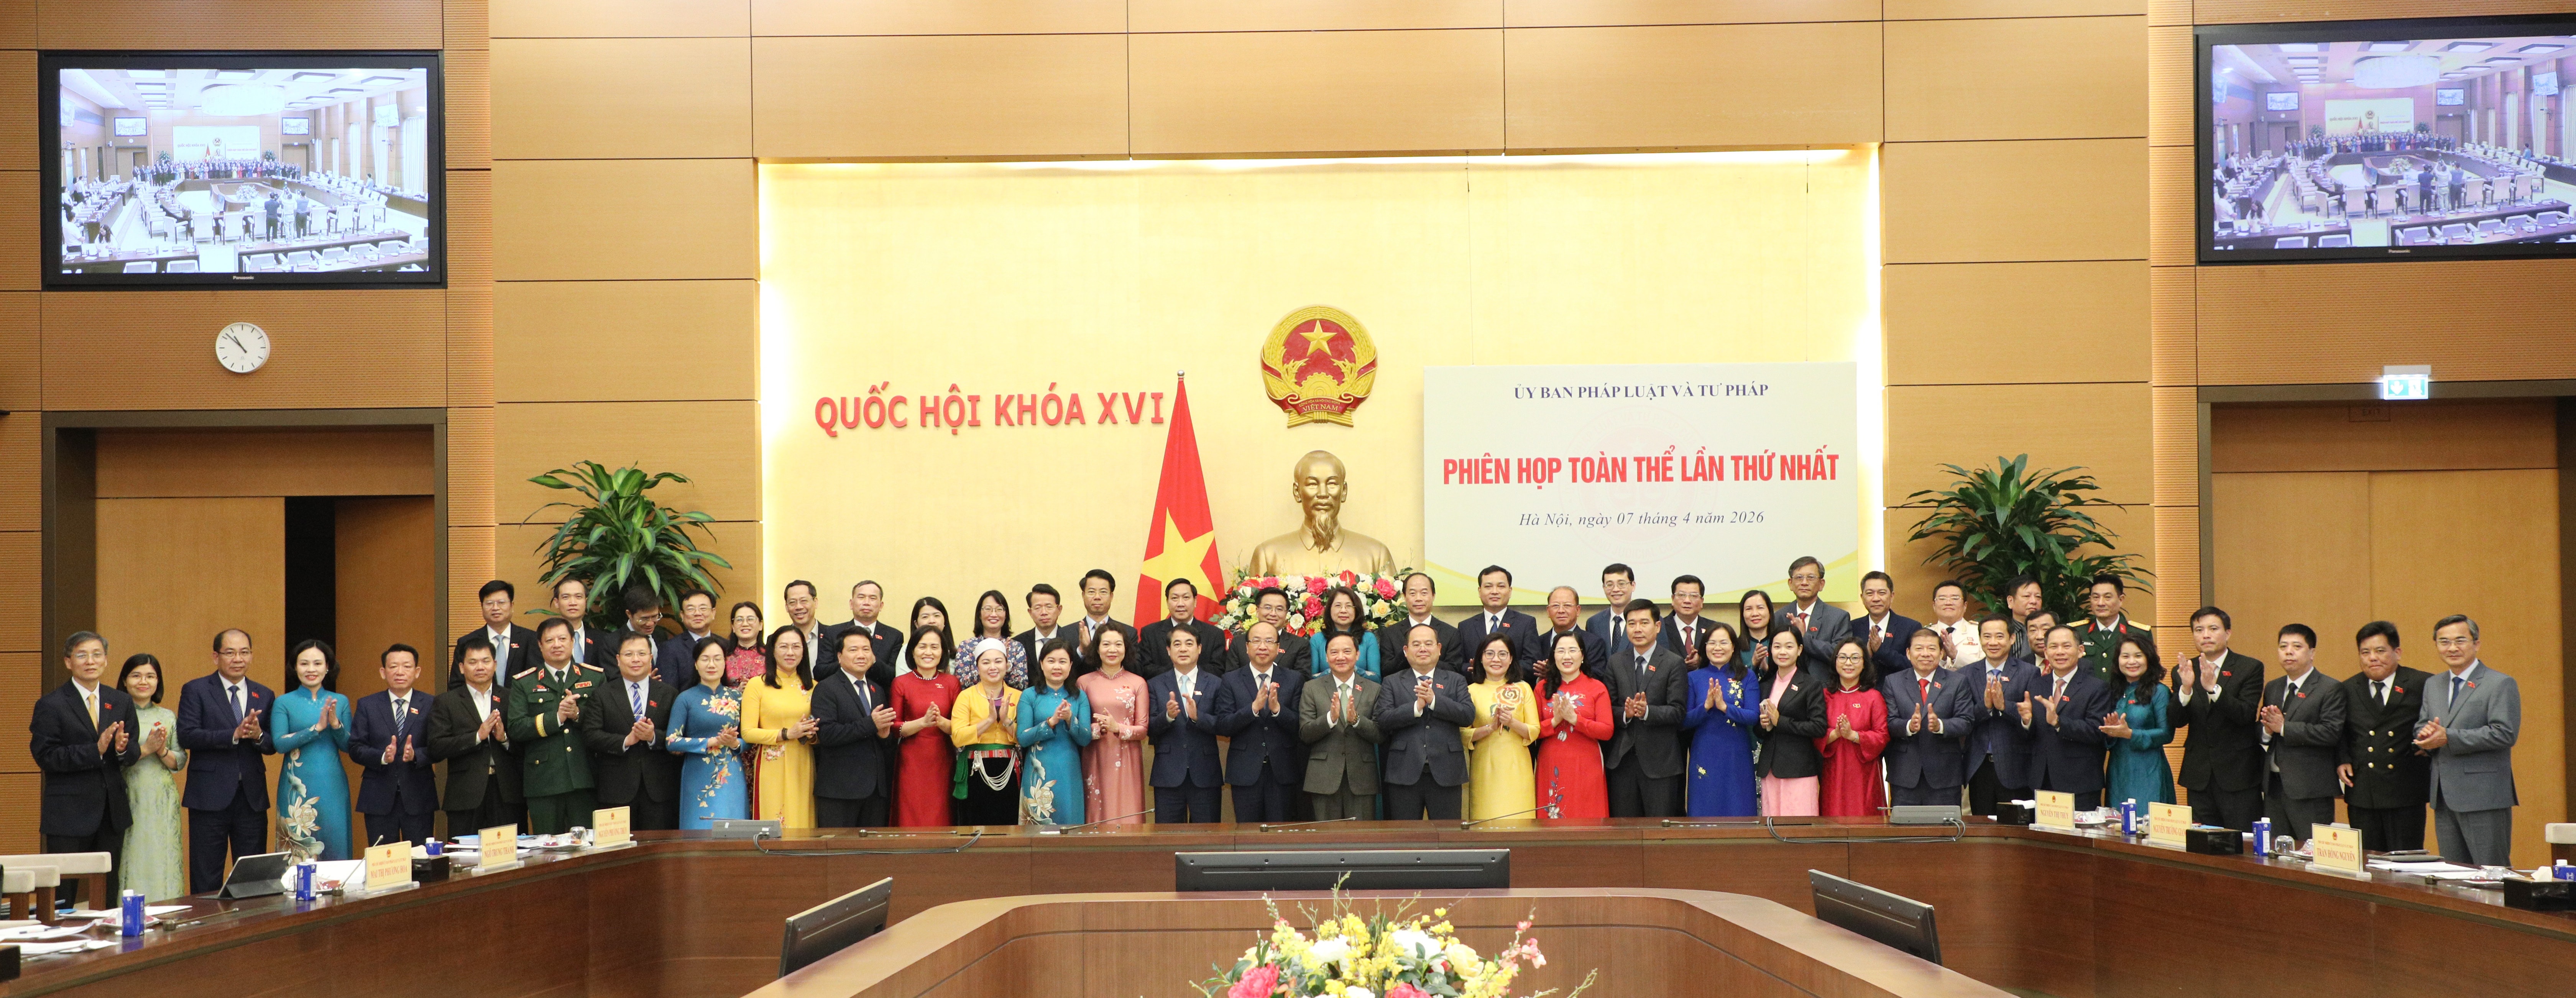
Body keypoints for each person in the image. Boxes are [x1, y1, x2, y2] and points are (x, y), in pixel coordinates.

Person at [32, 632, 141, 903]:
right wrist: (96, 750)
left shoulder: (121, 701)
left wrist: (122, 749)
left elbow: (133, 749)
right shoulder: (51, 704)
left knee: (107, 894)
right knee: (63, 896)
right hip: (68, 815)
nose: (90, 661)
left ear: (106, 660)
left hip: (111, 812)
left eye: (97, 655)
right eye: (82, 655)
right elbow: (46, 756)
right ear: (68, 662)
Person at [2416, 614, 2519, 867]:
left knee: (2491, 872)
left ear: (2477, 644)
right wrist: (2424, 736)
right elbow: (2423, 724)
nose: (2452, 648)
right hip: (2443, 794)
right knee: (2454, 875)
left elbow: (2504, 733)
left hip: (2484, 795)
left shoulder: (2499, 683)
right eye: (2444, 642)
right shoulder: (2433, 684)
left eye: (2460, 641)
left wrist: (2448, 737)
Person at [2172, 606, 2266, 832]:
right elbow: (2176, 720)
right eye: (2199, 630)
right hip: (2199, 774)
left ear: (2228, 633)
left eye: (2213, 629)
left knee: (2242, 841)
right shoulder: (2185, 670)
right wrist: (2186, 689)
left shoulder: (2249, 667)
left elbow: (2245, 715)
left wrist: (2213, 689)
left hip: (2239, 773)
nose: (2206, 635)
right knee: (2203, 841)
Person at [2338, 621, 2430, 852]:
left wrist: (2428, 746)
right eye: (2365, 652)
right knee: (2367, 860)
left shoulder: (2421, 683)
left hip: (2405, 790)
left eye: (2380, 651)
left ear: (2397, 652)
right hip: (2363, 790)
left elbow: (2436, 724)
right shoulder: (2348, 688)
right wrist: (2342, 758)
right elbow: (2340, 732)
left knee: (2406, 861)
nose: (2373, 658)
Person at [506, 618, 601, 834]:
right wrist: (556, 718)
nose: (557, 645)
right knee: (547, 847)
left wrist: (577, 714)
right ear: (540, 645)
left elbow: (605, 721)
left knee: (587, 846)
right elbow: (516, 727)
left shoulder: (595, 677)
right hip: (544, 781)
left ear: (573, 641)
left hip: (585, 777)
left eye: (562, 639)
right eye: (549, 641)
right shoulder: (524, 682)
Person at [582, 632, 681, 831]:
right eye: (629, 654)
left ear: (651, 658)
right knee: (618, 848)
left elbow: (678, 737)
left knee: (656, 848)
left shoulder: (669, 693)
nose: (636, 659)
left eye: (642, 654)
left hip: (659, 790)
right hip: (616, 789)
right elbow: (591, 735)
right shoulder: (602, 694)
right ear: (618, 660)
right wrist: (626, 741)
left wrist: (653, 737)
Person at [2259, 624, 2347, 845]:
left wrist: (2284, 728)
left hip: (2310, 790)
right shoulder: (2273, 687)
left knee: (2312, 851)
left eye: (2297, 647)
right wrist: (2267, 731)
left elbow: (2331, 732)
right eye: (2283, 647)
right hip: (2274, 787)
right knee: (2276, 853)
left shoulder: (2330, 688)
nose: (2289, 652)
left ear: (2312, 652)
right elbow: (2266, 728)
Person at [1378, 623, 1475, 821]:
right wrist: (1416, 707)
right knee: (1406, 835)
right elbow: (1383, 720)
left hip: (1447, 771)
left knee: (1448, 835)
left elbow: (1467, 716)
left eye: (1429, 644)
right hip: (1404, 771)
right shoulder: (1392, 682)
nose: (1423, 649)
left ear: (1439, 649)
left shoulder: (1456, 680)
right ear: (1406, 651)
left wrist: (1434, 701)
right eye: (1416, 644)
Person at [269, 640, 353, 861]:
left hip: (333, 784)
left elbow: (349, 746)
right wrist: (315, 729)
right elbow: (280, 743)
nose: (311, 669)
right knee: (298, 857)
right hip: (296, 786)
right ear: (295, 667)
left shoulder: (340, 701)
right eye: (304, 664)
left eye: (318, 663)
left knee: (336, 846)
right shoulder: (284, 702)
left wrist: (336, 725)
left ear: (328, 667)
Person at [427, 634, 519, 839]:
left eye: (486, 661)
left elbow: (525, 744)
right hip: (465, 794)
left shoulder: (511, 698)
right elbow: (436, 748)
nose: (480, 667)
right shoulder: (446, 702)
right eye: (473, 662)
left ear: (495, 665)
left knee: (508, 851)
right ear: (462, 668)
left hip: (506, 791)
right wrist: (477, 736)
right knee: (465, 853)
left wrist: (504, 739)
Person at [1214, 622, 1306, 823]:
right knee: (1247, 834)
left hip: (1282, 771)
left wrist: (1278, 710)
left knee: (1279, 834)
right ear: (1247, 647)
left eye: (1269, 641)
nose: (1263, 647)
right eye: (1256, 641)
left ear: (1278, 648)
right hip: (1245, 771)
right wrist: (1253, 709)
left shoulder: (1294, 679)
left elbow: (1301, 726)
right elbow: (1223, 725)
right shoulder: (1230, 680)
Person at [1603, 598, 1687, 817]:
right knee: (1625, 830)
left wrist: (1648, 712)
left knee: (1659, 829)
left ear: (1657, 627)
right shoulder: (1616, 662)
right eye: (1632, 624)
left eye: (1644, 623)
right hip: (1623, 763)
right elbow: (1607, 708)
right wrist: (1626, 714)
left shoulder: (1673, 662)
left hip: (1661, 764)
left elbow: (1678, 711)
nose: (1637, 629)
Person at [349, 644, 438, 847]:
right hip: (378, 797)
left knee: (420, 858)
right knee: (382, 859)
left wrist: (416, 755)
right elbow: (355, 747)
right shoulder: (368, 705)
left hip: (419, 795)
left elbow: (438, 747)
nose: (400, 672)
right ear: (383, 672)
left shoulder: (431, 704)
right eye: (393, 667)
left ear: (417, 672)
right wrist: (382, 757)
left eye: (407, 666)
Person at [115, 653, 186, 901]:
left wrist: (162, 750)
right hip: (129, 792)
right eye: (136, 676)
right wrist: (146, 749)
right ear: (125, 681)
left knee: (162, 853)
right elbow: (113, 760)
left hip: (162, 796)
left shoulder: (168, 716)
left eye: (150, 676)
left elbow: (180, 760)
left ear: (158, 681)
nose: (143, 682)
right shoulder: (116, 716)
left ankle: (167, 908)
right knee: (133, 853)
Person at [2020, 625, 2114, 811]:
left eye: (2066, 646)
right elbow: (2031, 736)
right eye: (2054, 647)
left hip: (2080, 782)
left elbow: (2096, 732)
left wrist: (2058, 722)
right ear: (2046, 652)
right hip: (2042, 780)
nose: (2060, 652)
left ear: (2080, 651)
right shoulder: (2036, 685)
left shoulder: (2097, 688)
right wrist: (2027, 722)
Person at [812, 629, 897, 828]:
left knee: (871, 848)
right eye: (853, 650)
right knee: (839, 847)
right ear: (839, 656)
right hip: (840, 790)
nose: (861, 655)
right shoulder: (826, 688)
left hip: (875, 791)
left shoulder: (877, 689)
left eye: (866, 650)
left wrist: (885, 737)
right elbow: (827, 734)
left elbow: (882, 738)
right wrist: (871, 724)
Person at [1880, 628, 1973, 808]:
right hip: (1905, 774)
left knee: (1944, 825)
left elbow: (1966, 721)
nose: (1925, 654)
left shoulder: (1957, 681)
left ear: (1941, 653)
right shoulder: (1893, 682)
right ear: (1908, 653)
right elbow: (1889, 722)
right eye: (1919, 648)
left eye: (1932, 649)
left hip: (1945, 774)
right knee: (1906, 826)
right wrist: (1909, 726)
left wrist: (1941, 726)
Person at [1522, 630, 1608, 819]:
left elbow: (1606, 731)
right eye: (1561, 651)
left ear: (1583, 656)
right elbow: (1532, 730)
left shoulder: (1597, 687)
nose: (1567, 656)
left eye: (1573, 651)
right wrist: (1556, 721)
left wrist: (1576, 720)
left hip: (1586, 762)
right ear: (1553, 657)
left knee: (1586, 817)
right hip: (1552, 761)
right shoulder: (1542, 688)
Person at [664, 636, 747, 830]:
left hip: (731, 773)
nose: (712, 664)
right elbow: (671, 741)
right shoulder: (685, 699)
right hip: (698, 773)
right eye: (705, 659)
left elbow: (749, 737)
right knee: (699, 830)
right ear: (696, 664)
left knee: (734, 830)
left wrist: (735, 744)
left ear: (725, 663)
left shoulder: (737, 697)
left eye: (718, 659)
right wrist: (710, 742)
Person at [739, 625, 819, 828]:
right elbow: (747, 733)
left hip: (803, 760)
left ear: (804, 652)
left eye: (796, 647)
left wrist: (812, 735)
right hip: (771, 763)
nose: (790, 652)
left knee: (803, 819)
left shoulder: (814, 687)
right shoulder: (757, 685)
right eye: (784, 647)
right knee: (774, 822)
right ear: (773, 651)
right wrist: (787, 734)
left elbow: (820, 730)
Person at [1301, 631, 1385, 820]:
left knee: (1361, 836)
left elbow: (1381, 734)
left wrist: (1357, 720)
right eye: (1334, 652)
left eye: (1347, 651)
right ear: (1326, 657)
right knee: (1326, 836)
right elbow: (1305, 733)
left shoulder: (1374, 689)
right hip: (1323, 778)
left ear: (1358, 655)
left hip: (1362, 778)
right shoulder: (1311, 688)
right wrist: (1330, 719)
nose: (1340, 657)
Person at [1145, 627, 1224, 822]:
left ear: (1199, 649)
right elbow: (1149, 727)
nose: (1183, 649)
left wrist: (1198, 717)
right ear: (1168, 650)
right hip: (1168, 774)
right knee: (1169, 836)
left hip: (1206, 773)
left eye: (1189, 644)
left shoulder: (1216, 683)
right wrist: (1168, 716)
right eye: (1177, 644)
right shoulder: (1155, 684)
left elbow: (1224, 725)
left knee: (1207, 835)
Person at [1679, 625, 1758, 816]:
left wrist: (1725, 708)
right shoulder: (1693, 678)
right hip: (1705, 751)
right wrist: (1706, 707)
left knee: (1738, 809)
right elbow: (1684, 721)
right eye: (1712, 643)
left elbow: (1753, 716)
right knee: (1705, 809)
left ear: (1733, 647)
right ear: (1705, 647)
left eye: (1724, 643)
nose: (1717, 648)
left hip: (1736, 753)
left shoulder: (1747, 676)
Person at [1076, 622, 1149, 826]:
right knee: (1097, 815)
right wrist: (1098, 729)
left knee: (1127, 814)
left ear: (1126, 648)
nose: (1112, 650)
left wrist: (1118, 728)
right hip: (1095, 756)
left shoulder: (1138, 683)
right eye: (1106, 644)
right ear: (1097, 649)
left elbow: (1143, 729)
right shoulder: (1084, 682)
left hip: (1128, 757)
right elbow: (1079, 728)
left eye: (1118, 644)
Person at [1012, 640, 1091, 824]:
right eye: (1051, 661)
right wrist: (1051, 723)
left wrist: (1070, 719)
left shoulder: (1079, 696)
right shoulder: (1029, 695)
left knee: (1070, 826)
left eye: (1063, 662)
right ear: (1041, 664)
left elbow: (1086, 739)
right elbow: (1023, 738)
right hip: (1038, 772)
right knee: (1036, 832)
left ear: (1071, 665)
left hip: (1069, 770)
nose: (1057, 667)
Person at [1459, 634, 1535, 821]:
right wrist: (1490, 728)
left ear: (1511, 659)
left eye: (1503, 654)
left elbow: (1534, 730)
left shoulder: (1524, 688)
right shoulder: (1470, 691)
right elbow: (1463, 734)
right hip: (1485, 766)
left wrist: (1512, 722)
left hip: (1517, 767)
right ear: (1480, 658)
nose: (1496, 660)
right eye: (1490, 654)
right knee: (1486, 821)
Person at [890, 628, 961, 827]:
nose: (928, 652)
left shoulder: (952, 683)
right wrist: (923, 722)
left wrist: (940, 722)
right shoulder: (901, 683)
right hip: (911, 761)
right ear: (913, 651)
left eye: (934, 647)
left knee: (941, 816)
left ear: (943, 652)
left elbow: (960, 727)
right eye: (922, 647)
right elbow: (894, 728)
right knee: (911, 816)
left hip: (942, 759)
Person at [1753, 627, 1828, 817]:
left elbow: (1819, 727)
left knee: (1798, 827)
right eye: (1777, 647)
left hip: (1798, 769)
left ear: (1800, 650)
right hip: (1770, 769)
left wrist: (1781, 721)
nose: (1783, 652)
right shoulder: (1765, 685)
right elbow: (1758, 730)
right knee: (1772, 825)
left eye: (1789, 647)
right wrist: (1764, 726)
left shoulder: (1811, 685)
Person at [949, 639, 1024, 825]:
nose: (993, 667)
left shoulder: (1019, 696)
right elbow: (958, 738)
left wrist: (1006, 721)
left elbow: (1025, 737)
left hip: (1008, 768)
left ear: (1007, 665)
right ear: (977, 667)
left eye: (998, 661)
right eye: (986, 662)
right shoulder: (966, 696)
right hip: (975, 768)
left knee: (1009, 825)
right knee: (975, 825)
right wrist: (989, 720)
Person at [1814, 638, 1889, 818]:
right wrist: (1835, 734)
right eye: (1843, 657)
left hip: (1864, 773)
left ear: (1864, 664)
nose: (1848, 663)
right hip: (1833, 771)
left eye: (1855, 658)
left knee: (1864, 821)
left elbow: (1883, 736)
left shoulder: (1874, 697)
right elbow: (1814, 732)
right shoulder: (1824, 696)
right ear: (1835, 661)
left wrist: (1854, 735)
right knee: (1832, 818)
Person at [2099, 632, 2175, 808]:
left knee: (2146, 819)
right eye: (2125, 656)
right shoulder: (2114, 691)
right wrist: (2110, 733)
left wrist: (2131, 734)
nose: (2132, 662)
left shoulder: (2159, 691)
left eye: (2138, 656)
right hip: (2119, 769)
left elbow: (2167, 734)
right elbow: (2107, 737)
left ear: (2149, 659)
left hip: (2149, 770)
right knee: (2118, 821)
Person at [1137, 579, 1230, 679]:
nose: (1181, 604)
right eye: (1175, 598)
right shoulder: (1150, 633)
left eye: (1186, 598)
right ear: (1167, 602)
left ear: (1195, 601)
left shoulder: (1215, 634)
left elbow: (1218, 669)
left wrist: (1189, 672)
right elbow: (1145, 669)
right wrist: (1178, 672)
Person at [453, 579, 536, 689]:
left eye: (501, 603)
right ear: (482, 607)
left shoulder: (531, 639)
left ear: (512, 606)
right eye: (489, 604)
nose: (496, 608)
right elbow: (457, 685)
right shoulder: (466, 642)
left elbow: (537, 680)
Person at [1378, 571, 1464, 671]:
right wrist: (1409, 653)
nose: (1418, 599)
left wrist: (1428, 660)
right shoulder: (1390, 634)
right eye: (1413, 594)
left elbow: (1455, 670)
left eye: (1424, 593)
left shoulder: (1451, 634)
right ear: (1405, 597)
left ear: (1433, 596)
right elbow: (1386, 671)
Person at [825, 581, 904, 687]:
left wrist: (874, 661)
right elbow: (821, 671)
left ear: (881, 606)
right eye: (861, 597)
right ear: (851, 604)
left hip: (879, 694)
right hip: (840, 693)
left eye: (873, 598)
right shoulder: (832, 632)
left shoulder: (894, 636)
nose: (867, 603)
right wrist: (848, 662)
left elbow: (895, 676)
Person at [1781, 556, 1851, 673]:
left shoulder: (1838, 617)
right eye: (1799, 578)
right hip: (1787, 683)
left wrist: (1804, 638)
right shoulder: (1780, 616)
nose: (1804, 583)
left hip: (1824, 683)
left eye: (1811, 578)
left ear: (1821, 584)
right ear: (1791, 584)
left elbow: (1841, 655)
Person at [2076, 575, 2149, 685]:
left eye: (2108, 597)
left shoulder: (2140, 633)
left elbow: (2150, 673)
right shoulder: (2078, 632)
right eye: (2096, 597)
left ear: (2121, 600)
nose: (2101, 603)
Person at [951, 589, 1029, 688]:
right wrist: (988, 667)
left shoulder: (1016, 647)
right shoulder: (967, 647)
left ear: (1006, 615)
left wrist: (1006, 664)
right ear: (980, 614)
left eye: (999, 609)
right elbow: (962, 684)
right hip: (975, 698)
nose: (994, 614)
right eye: (988, 609)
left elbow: (1022, 685)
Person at [1522, 586, 1605, 678]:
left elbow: (1596, 676)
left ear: (1578, 610)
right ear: (1548, 611)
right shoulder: (1538, 642)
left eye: (1567, 606)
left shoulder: (1593, 643)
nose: (1561, 611)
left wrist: (1553, 675)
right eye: (1556, 606)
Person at [1850, 572, 1921, 679]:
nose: (1876, 599)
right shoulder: (1853, 627)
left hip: (1897, 689)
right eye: (1870, 594)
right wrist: (1866, 656)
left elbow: (1915, 665)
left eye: (1882, 593)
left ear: (1892, 596)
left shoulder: (1910, 627)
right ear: (1862, 598)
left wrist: (1881, 650)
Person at [1227, 588, 1309, 678]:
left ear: (1286, 614)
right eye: (1268, 608)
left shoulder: (1299, 645)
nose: (1273, 614)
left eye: (1279, 609)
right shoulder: (1239, 642)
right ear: (1257, 611)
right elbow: (1230, 679)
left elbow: (1302, 680)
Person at [1457, 565, 1537, 655]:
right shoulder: (1466, 627)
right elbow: (1459, 661)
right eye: (1488, 587)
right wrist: (1477, 664)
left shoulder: (1526, 623)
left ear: (1510, 591)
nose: (1495, 592)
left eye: (1501, 586)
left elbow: (1531, 660)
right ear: (1480, 591)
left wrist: (1503, 663)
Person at [1304, 587, 1373, 681]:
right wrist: (1334, 671)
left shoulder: (1368, 638)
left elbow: (1377, 678)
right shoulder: (1317, 640)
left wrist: (1352, 670)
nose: (1343, 611)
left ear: (1356, 610)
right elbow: (1311, 679)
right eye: (1338, 606)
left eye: (1349, 606)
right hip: (1325, 689)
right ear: (1330, 609)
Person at [1014, 584, 1083, 676]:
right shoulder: (1019, 643)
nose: (1044, 613)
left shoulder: (1073, 640)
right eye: (1038, 608)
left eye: (1049, 607)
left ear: (1059, 610)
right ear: (1030, 612)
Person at [657, 588, 720, 689]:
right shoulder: (670, 649)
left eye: (703, 608)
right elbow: (668, 691)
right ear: (682, 615)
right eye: (691, 609)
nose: (698, 613)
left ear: (713, 613)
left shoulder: (724, 645)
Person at [548, 577, 615, 670]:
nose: (573, 603)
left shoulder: (603, 640)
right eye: (566, 597)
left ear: (586, 602)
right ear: (557, 603)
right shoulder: (547, 641)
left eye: (579, 597)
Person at [1924, 580, 1978, 670]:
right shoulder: (1926, 634)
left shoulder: (1979, 632)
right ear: (1934, 606)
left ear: (1965, 606)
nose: (1948, 603)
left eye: (1955, 599)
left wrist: (1955, 655)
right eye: (1942, 599)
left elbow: (1985, 666)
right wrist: (1942, 659)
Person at [1584, 564, 1638, 654]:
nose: (1616, 590)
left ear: (1633, 586)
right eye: (1610, 585)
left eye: (1621, 584)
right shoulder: (1593, 623)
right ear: (1604, 588)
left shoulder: (1650, 620)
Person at [1071, 569, 1124, 661]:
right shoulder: (1066, 633)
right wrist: (1082, 651)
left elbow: (1135, 667)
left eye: (1103, 592)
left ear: (1111, 596)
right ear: (1083, 595)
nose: (1097, 597)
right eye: (1092, 592)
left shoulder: (1128, 632)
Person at [721, 602, 767, 687]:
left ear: (761, 625)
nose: (745, 624)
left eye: (750, 619)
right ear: (733, 627)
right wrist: (736, 692)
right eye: (739, 620)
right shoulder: (723, 656)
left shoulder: (771, 655)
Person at [2002, 576, 2044, 662]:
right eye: (2027, 596)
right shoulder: (2002, 631)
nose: (2034, 601)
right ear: (2011, 601)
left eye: (2038, 597)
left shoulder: (2052, 631)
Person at [1737, 589, 1778, 673]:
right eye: (1749, 609)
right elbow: (1733, 678)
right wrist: (1753, 664)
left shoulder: (1780, 644)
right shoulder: (1735, 647)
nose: (1755, 614)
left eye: (1760, 608)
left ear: (1770, 613)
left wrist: (1767, 670)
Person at [782, 579, 825, 660]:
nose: (799, 607)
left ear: (815, 602)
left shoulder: (833, 637)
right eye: (792, 602)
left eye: (804, 601)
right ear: (787, 607)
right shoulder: (777, 640)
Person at [909, 596, 955, 661]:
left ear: (945, 621)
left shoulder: (960, 651)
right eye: (925, 617)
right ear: (916, 624)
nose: (932, 621)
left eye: (937, 616)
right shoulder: (906, 651)